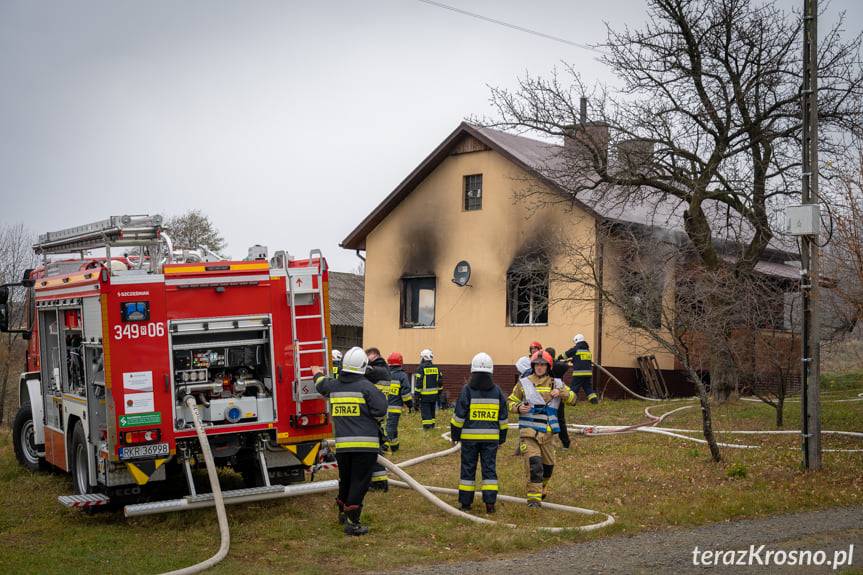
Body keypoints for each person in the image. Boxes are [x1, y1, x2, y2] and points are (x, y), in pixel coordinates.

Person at [312, 347, 387, 535]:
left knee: (345, 480)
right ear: (363, 367)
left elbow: (321, 384)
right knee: (359, 483)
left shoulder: (334, 386)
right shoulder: (367, 388)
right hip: (365, 446)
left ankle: (342, 514)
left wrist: (317, 373)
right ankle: (353, 523)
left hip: (343, 446)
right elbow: (381, 410)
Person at [507, 350, 577, 508]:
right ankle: (534, 500)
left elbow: (574, 400)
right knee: (534, 464)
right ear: (532, 366)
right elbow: (509, 402)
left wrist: (562, 393)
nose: (539, 367)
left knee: (548, 468)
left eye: (542, 364)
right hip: (529, 433)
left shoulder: (557, 384)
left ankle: (541, 487)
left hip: (547, 434)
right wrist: (518, 408)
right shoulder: (524, 383)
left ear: (548, 366)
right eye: (536, 364)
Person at [450, 352, 509, 513]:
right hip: (491, 440)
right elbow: (503, 418)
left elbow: (458, 417)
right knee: (489, 469)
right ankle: (490, 504)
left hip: (469, 439)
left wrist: (455, 435)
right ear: (491, 371)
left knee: (468, 469)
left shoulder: (467, 390)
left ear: (472, 370)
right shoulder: (497, 391)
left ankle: (465, 503)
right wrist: (501, 438)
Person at [364, 347, 391, 491]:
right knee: (375, 448)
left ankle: (380, 483)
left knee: (374, 450)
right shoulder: (383, 369)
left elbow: (365, 372)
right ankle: (378, 481)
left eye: (367, 356)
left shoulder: (379, 370)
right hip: (377, 412)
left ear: (374, 355)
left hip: (374, 413)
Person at [384, 351, 413, 453]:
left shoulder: (384, 374)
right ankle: (385, 446)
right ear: (401, 362)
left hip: (382, 406)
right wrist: (410, 405)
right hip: (395, 407)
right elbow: (405, 394)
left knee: (390, 427)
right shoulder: (402, 376)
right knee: (391, 427)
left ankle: (395, 447)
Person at [544, 347, 572, 449]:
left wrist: (557, 362)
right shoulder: (546, 365)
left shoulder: (556, 366)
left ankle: (565, 443)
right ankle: (560, 443)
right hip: (547, 394)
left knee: (559, 419)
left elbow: (564, 366)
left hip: (557, 394)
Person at [564, 334, 598, 404]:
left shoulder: (576, 349)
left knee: (574, 387)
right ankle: (594, 401)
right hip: (588, 373)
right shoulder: (587, 350)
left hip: (579, 373)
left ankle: (571, 401)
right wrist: (574, 360)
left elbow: (566, 354)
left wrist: (558, 358)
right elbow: (582, 360)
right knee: (588, 388)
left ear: (576, 340)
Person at [414, 349, 443, 429]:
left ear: (424, 358)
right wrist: (439, 393)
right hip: (434, 396)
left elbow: (419, 384)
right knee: (432, 411)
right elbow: (440, 382)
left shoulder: (421, 368)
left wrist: (416, 396)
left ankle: (427, 427)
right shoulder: (436, 368)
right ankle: (432, 426)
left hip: (424, 396)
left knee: (426, 412)